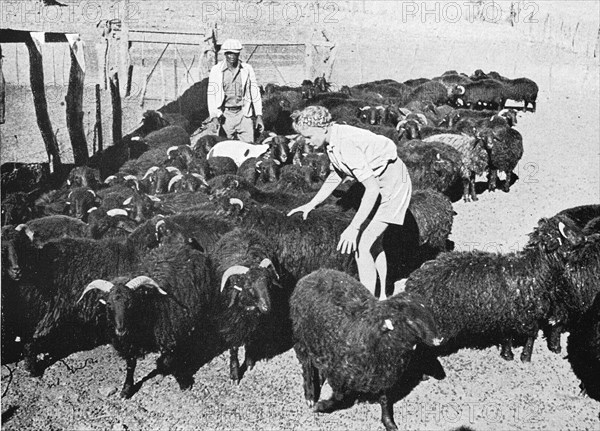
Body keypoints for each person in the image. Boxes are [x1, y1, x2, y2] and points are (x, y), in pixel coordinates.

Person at [287, 106, 412, 299]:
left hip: (394, 182)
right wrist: (312, 204)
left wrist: (354, 228)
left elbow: (371, 189)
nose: (308, 143)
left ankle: (368, 303)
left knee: (363, 245)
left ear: (322, 128)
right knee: (375, 243)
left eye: (310, 137)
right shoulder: (332, 141)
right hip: (381, 180)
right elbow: (336, 174)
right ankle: (383, 295)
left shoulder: (345, 144)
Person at [207, 39, 264, 143]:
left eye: (235, 53)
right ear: (225, 54)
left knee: (249, 146)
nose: (232, 56)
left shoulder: (247, 69)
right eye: (229, 53)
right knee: (226, 147)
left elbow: (255, 92)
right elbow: (211, 95)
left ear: (239, 54)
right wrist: (214, 116)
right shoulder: (216, 70)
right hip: (226, 115)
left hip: (243, 113)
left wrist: (259, 115)